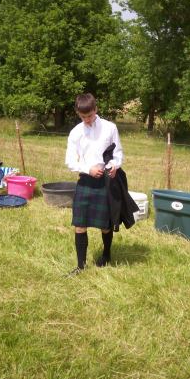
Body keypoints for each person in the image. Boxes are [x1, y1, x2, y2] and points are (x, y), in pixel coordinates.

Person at [65, 92, 123, 275]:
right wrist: (87, 168)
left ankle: (106, 255)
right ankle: (80, 266)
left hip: (106, 181)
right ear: (78, 113)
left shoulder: (110, 128)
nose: (87, 120)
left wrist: (114, 165)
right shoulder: (75, 133)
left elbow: (118, 153)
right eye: (83, 117)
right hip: (86, 181)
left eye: (90, 115)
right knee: (80, 224)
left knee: (105, 225)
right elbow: (70, 161)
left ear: (95, 109)